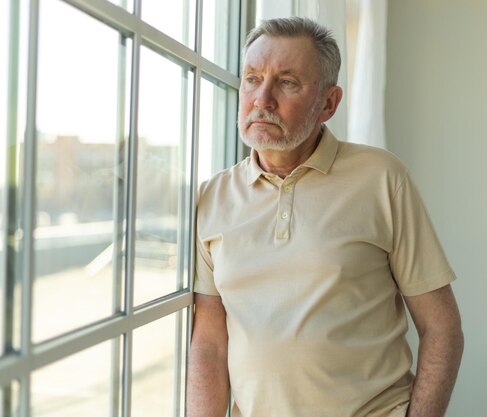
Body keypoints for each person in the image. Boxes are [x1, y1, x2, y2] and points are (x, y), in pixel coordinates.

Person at [187, 17, 464, 417]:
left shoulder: (383, 178)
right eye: (252, 78)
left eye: (286, 82)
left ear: (328, 104)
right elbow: (209, 346)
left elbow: (443, 329)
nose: (262, 99)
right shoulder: (211, 198)